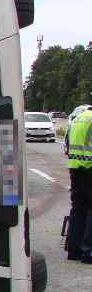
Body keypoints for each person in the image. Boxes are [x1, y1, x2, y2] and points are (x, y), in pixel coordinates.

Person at [65, 105, 92, 263]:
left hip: (75, 167)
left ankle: (73, 250)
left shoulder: (78, 118)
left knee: (78, 208)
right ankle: (88, 252)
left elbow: (67, 143)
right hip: (89, 168)